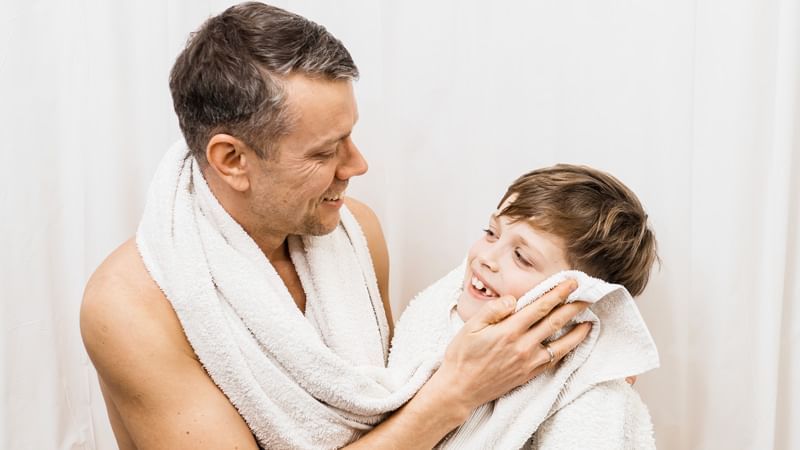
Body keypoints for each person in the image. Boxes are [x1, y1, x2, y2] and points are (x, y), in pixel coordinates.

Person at [79, 3, 592, 449]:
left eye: (349, 137)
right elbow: (428, 409)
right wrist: (456, 393)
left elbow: (392, 403)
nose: (357, 165)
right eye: (326, 151)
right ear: (232, 159)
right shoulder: (132, 306)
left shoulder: (355, 234)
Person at [388, 164, 659, 448]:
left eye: (521, 257)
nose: (486, 258)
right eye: (491, 232)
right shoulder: (438, 312)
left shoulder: (586, 391)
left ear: (579, 297)